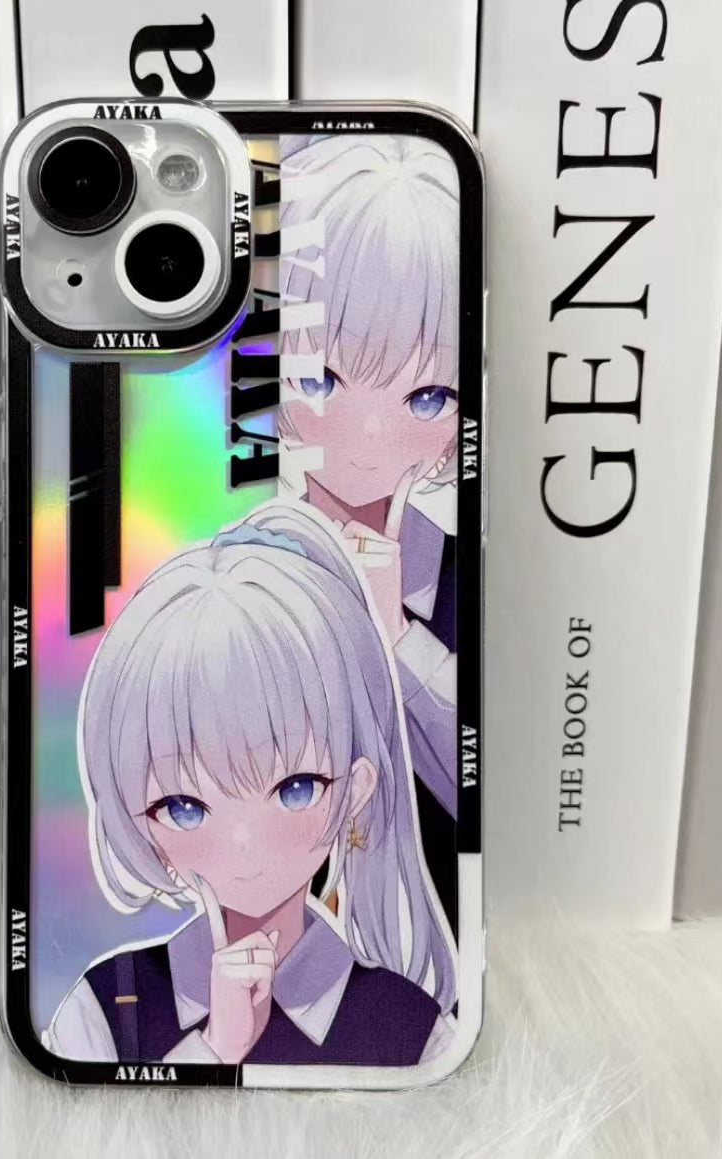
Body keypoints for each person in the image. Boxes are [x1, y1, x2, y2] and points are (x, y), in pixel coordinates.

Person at [43, 503, 456, 1066]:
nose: (243, 844)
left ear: (356, 789)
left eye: (295, 789)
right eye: (185, 806)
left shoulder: (411, 1028)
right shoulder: (105, 1008)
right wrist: (215, 1049)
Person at [277, 133, 462, 926]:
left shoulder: (453, 583)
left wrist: (397, 641)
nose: (370, 438)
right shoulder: (225, 563)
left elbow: (486, 795)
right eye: (320, 378)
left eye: (427, 397)